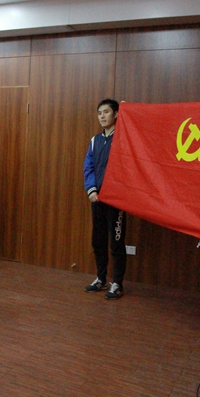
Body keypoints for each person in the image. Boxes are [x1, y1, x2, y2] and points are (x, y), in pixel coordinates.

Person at [83, 99, 127, 300]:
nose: (102, 116)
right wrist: (91, 190)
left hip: (117, 201)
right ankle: (101, 278)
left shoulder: (124, 138)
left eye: (106, 112)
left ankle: (117, 283)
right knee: (98, 240)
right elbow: (89, 167)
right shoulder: (95, 141)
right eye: (99, 112)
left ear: (116, 114)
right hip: (97, 198)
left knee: (116, 242)